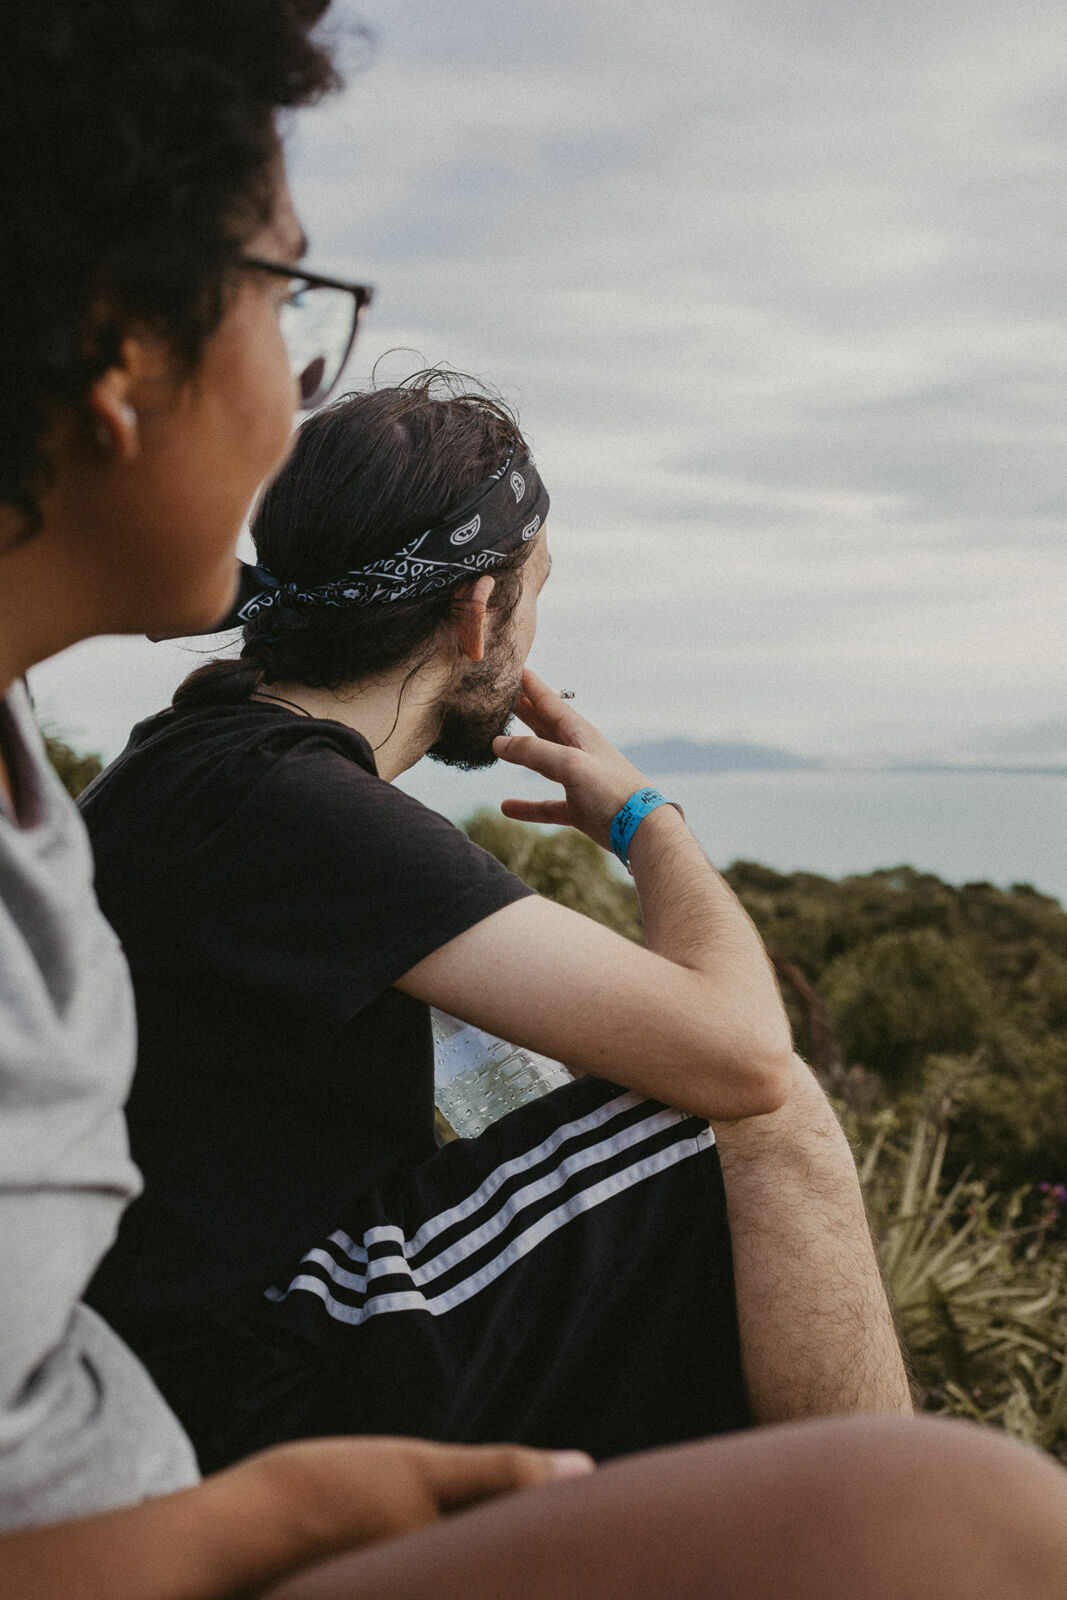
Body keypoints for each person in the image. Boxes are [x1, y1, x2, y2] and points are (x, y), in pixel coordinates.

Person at [0, 1, 588, 1592]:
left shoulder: (57, 791)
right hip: (193, 1494)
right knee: (959, 1512)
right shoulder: (262, 793)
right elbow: (736, 1059)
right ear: (125, 348)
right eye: (289, 303)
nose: (293, 394)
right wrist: (271, 1522)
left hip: (162, 1478)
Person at [80, 373, 910, 1477]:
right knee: (764, 1118)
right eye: (535, 592)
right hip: (234, 1381)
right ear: (477, 610)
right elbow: (746, 1055)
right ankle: (893, 1533)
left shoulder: (207, 758)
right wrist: (645, 820)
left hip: (161, 1345)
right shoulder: (283, 803)